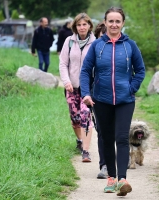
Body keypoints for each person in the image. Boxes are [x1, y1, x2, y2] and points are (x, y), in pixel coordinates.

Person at [80, 7, 145, 196]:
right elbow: (86, 71)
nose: (114, 24)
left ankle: (122, 180)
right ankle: (111, 178)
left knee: (122, 138)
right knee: (106, 138)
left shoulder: (130, 45)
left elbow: (140, 70)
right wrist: (86, 93)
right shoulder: (97, 46)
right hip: (101, 99)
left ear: (123, 23)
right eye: (111, 21)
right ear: (105, 23)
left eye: (118, 21)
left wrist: (131, 88)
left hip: (125, 100)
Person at [59, 13, 96, 162]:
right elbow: (63, 63)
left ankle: (86, 151)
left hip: (88, 88)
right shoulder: (69, 41)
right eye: (79, 25)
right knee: (75, 118)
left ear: (89, 26)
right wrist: (66, 81)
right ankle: (80, 141)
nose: (82, 27)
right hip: (71, 87)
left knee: (85, 115)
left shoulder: (96, 43)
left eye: (85, 24)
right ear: (75, 26)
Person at [93, 22, 108, 179]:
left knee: (117, 132)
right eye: (101, 35)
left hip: (119, 97)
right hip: (97, 97)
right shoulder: (93, 51)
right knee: (102, 132)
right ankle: (104, 165)